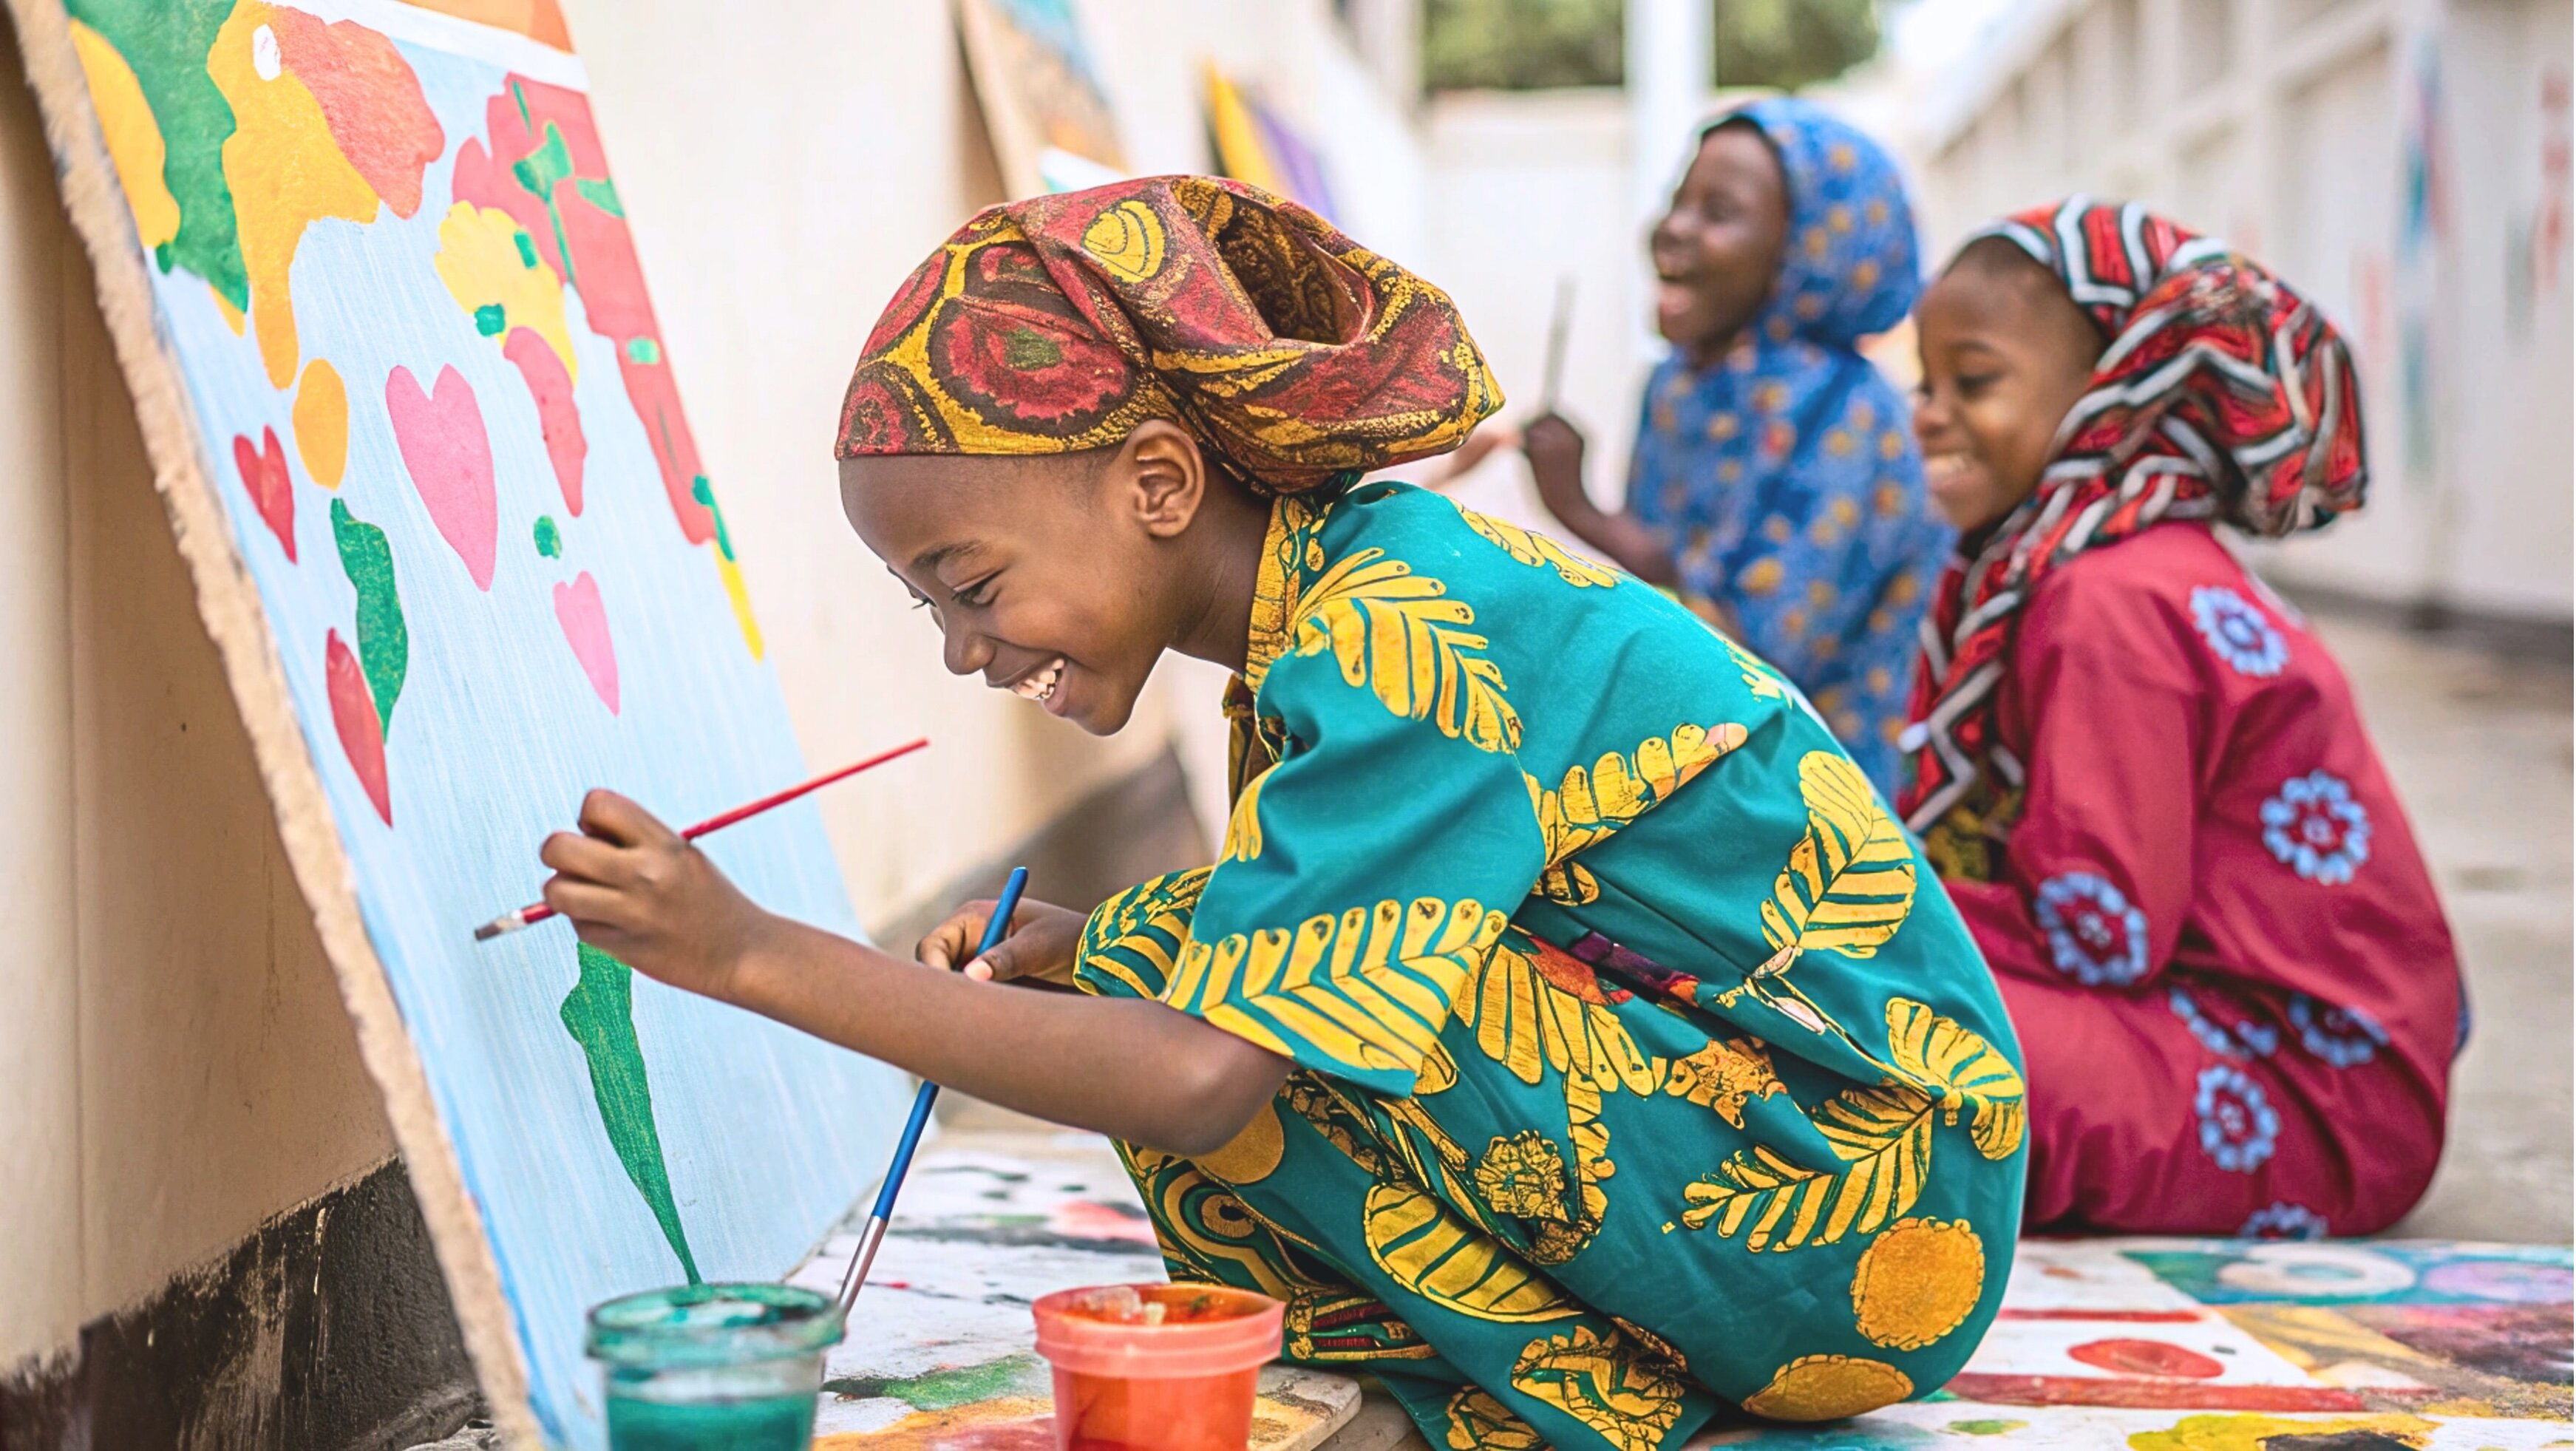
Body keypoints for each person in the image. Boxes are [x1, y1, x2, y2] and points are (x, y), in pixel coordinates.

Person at [537, 177, 2024, 1448]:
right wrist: (1113, 940)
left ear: (1160, 480)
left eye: (971, 585)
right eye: (925, 606)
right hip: (1818, 1173)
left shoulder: (1401, 630)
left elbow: (1198, 1079)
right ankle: (1507, 1374)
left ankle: (1560, 1397)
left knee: (1206, 1017)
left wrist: (751, 955)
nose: (962, 650)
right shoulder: (1340, 598)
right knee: (1182, 964)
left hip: (1867, 1204)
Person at [1903, 197, 2462, 1237]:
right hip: (2310, 1066)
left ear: (2114, 389)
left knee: (1868, 1016)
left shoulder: (2106, 597)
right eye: (1924, 384)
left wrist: (1857, 895)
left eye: (1972, 381)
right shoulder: (2112, 566)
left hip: (2304, 1099)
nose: (1929, 413)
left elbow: (2099, 935)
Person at [1522, 98, 1951, 796]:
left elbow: (1746, 652)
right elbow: (1658, 582)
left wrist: (1583, 514)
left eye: (1718, 213)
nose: (1672, 230)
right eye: (1676, 201)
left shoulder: (1849, 413)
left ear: (1808, 253)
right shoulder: (1678, 384)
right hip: (1686, 762)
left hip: (1811, 797)